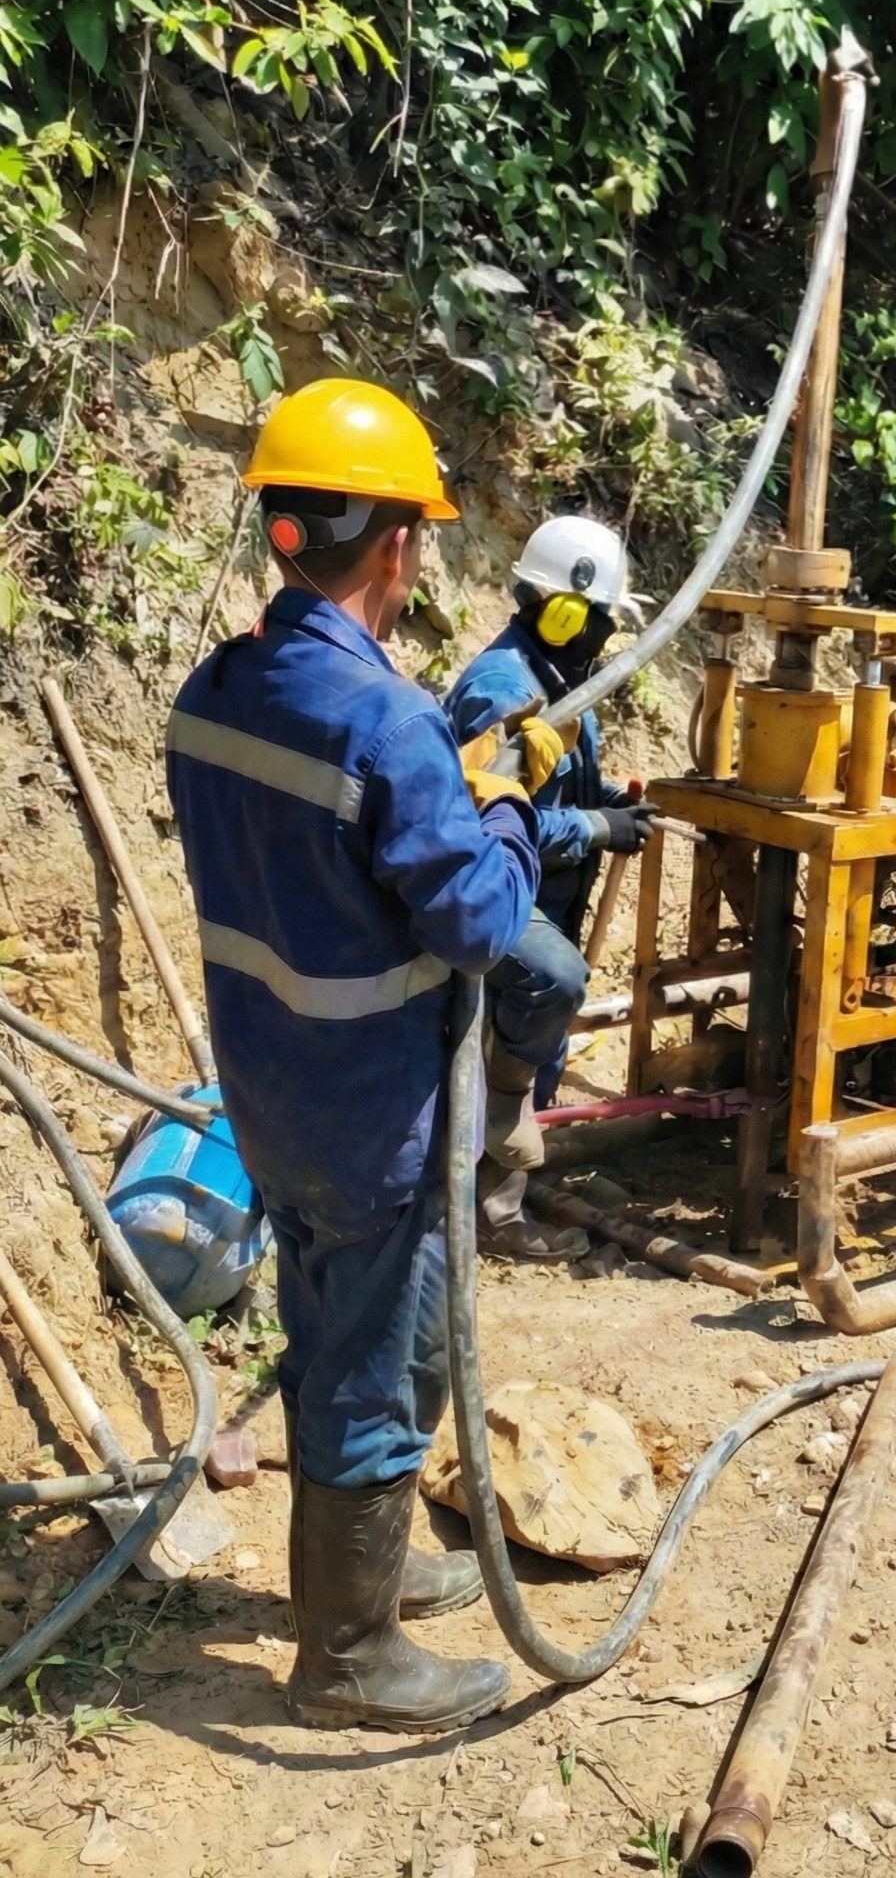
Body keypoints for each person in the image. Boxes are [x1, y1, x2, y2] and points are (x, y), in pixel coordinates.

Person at [165, 378, 552, 1734]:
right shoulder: (387, 727)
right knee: (367, 1360)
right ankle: (346, 1656)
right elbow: (481, 920)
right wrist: (504, 800)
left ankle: (364, 1581)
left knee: (342, 1325)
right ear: (394, 544)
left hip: (271, 1089)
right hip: (375, 1108)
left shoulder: (212, 695)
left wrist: (439, 777)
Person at [442, 514, 656, 1247]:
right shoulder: (504, 692)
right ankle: (489, 1216)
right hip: (501, 899)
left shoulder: (559, 682)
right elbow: (486, 818)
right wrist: (597, 828)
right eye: (601, 619)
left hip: (546, 898)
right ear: (564, 613)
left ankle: (504, 1200)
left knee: (534, 1045)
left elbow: (552, 792)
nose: (608, 636)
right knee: (536, 998)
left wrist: (611, 806)